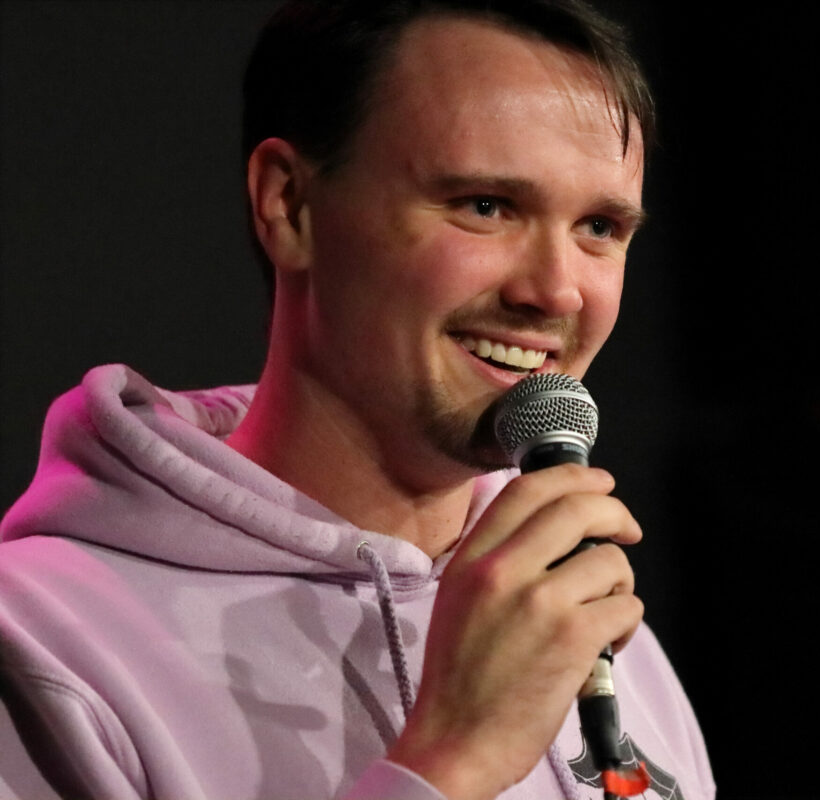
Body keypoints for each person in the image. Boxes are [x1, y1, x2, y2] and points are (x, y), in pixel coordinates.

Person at [0, 1, 715, 798]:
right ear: (290, 206)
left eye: (600, 227)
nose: (554, 290)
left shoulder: (604, 641)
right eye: (485, 205)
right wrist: (452, 760)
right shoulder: (40, 643)